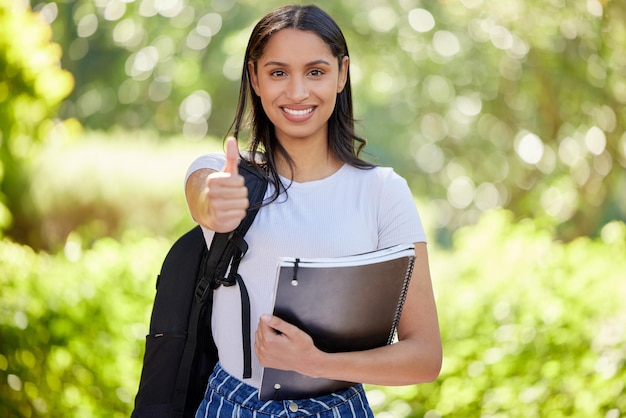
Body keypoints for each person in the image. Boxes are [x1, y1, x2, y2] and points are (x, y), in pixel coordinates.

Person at [185, 5, 442, 417]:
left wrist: (315, 362)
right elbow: (204, 196)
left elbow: (425, 356)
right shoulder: (224, 173)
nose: (298, 92)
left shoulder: (383, 192)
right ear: (254, 77)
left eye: (316, 72)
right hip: (232, 406)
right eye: (278, 72)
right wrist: (214, 200)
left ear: (342, 74)